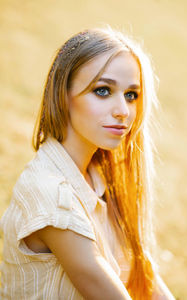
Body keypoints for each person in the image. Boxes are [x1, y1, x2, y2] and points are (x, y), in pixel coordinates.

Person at [0, 26, 175, 300]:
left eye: (131, 95)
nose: (123, 111)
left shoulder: (98, 177)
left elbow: (145, 280)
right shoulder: (51, 195)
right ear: (63, 94)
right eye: (103, 91)